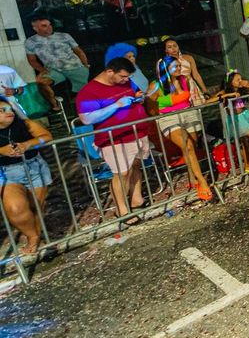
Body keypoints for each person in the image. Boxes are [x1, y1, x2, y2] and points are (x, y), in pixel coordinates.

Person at [76, 58, 153, 219]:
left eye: (128, 77)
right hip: (113, 138)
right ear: (110, 71)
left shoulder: (126, 82)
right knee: (122, 172)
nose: (126, 80)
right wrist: (116, 105)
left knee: (136, 165)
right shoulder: (88, 91)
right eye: (123, 76)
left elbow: (135, 93)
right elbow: (87, 119)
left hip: (137, 131)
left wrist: (139, 97)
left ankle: (136, 199)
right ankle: (121, 209)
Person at [154, 55, 213, 200]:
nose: (179, 68)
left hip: (188, 114)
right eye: (175, 66)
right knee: (187, 146)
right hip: (169, 118)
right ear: (166, 69)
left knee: (192, 146)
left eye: (179, 66)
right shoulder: (156, 86)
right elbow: (151, 108)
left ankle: (192, 177)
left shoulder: (185, 79)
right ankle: (202, 182)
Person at [0, 98, 53, 254]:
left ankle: (36, 239)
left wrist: (28, 144)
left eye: (9, 109)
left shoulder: (25, 123)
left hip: (35, 167)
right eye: (2, 110)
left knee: (36, 208)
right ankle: (33, 236)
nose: (8, 113)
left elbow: (47, 136)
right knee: (16, 209)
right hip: (6, 173)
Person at [25, 16, 91, 112]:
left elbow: (78, 51)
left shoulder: (64, 36)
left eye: (50, 25)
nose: (49, 27)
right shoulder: (30, 42)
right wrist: (42, 70)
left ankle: (82, 108)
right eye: (44, 26)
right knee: (41, 82)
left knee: (84, 96)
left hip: (74, 66)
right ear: (35, 28)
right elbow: (32, 60)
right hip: (54, 69)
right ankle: (54, 105)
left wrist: (86, 65)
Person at [218, 71, 249, 177]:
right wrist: (228, 95)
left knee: (246, 142)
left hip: (245, 115)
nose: (240, 81)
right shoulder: (225, 91)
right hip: (236, 119)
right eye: (237, 80)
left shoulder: (241, 90)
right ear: (230, 82)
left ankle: (248, 164)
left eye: (241, 79)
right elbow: (209, 101)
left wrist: (248, 85)